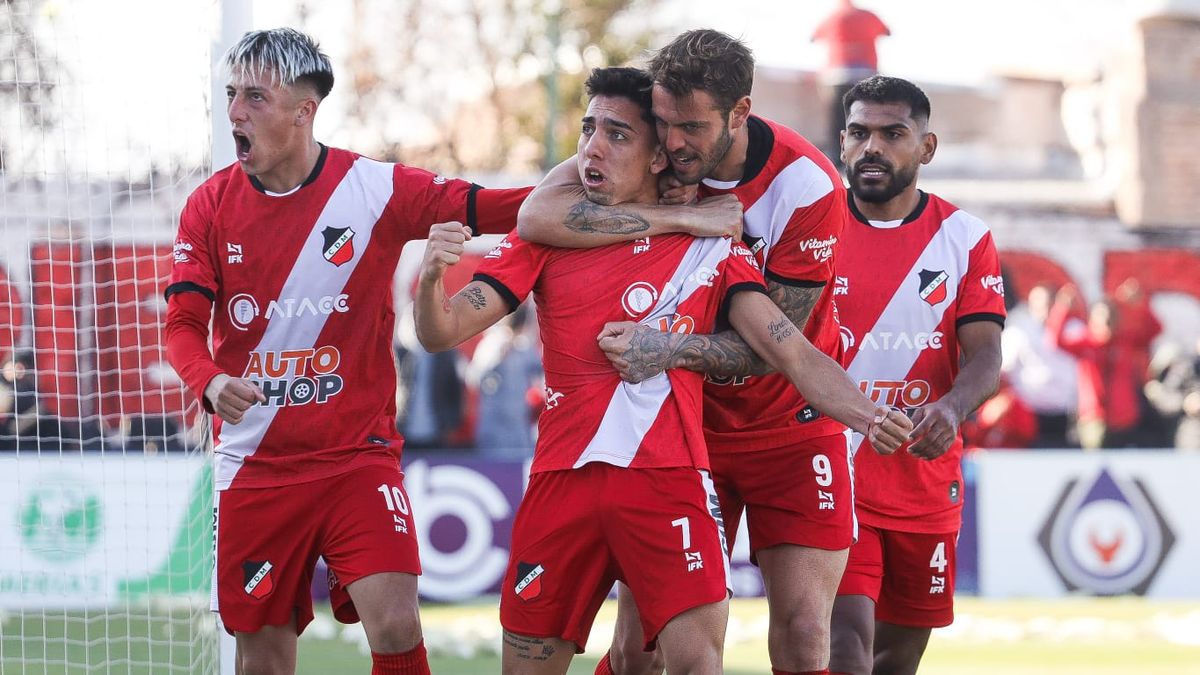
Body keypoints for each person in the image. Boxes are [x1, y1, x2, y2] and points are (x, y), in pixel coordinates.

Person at [415, 66, 911, 675]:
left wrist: (870, 415)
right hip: (560, 482)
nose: (593, 147)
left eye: (618, 135)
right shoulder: (551, 235)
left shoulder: (723, 245)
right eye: (587, 129)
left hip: (670, 481)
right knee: (604, 660)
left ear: (659, 158)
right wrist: (432, 277)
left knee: (724, 654)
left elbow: (791, 349)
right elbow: (440, 330)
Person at [163, 28, 528, 675]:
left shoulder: (372, 188)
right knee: (263, 658)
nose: (235, 113)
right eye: (230, 95)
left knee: (395, 620)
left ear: (305, 111)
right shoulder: (210, 206)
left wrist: (601, 191)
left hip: (356, 459)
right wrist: (209, 380)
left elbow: (499, 206)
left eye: (255, 96)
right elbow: (182, 325)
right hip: (255, 467)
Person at [519, 30, 855, 675]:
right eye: (665, 123)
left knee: (809, 630)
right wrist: (681, 219)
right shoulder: (646, 140)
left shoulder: (807, 186)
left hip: (791, 425)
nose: (673, 143)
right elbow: (538, 215)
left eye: (691, 128)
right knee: (637, 650)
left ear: (740, 113)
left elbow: (768, 349)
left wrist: (668, 348)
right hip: (682, 428)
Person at [825, 76, 1005, 675]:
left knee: (897, 657)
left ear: (926, 148)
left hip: (922, 476)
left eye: (892, 134)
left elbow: (984, 355)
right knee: (843, 637)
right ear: (843, 142)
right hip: (829, 470)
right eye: (859, 133)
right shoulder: (811, 229)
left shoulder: (965, 239)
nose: (872, 147)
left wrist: (951, 408)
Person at [1048, 285, 1159, 450]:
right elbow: (1055, 341)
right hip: (1093, 416)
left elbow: (1154, 330)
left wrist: (1140, 303)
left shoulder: (1126, 341)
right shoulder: (1085, 343)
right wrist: (1063, 307)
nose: (1105, 321)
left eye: (1109, 316)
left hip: (1124, 418)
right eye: (1100, 316)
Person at [1000, 283, 1081, 447]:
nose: (1044, 308)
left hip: (1066, 411)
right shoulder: (1018, 331)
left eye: (1048, 303)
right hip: (1030, 412)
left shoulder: (1074, 328)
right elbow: (1003, 369)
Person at [811, 0, 891, 162]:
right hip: (865, 73)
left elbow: (813, 37)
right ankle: (871, 155)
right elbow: (887, 32)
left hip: (837, 75)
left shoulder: (831, 17)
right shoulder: (868, 16)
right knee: (869, 116)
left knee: (838, 119)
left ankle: (838, 157)